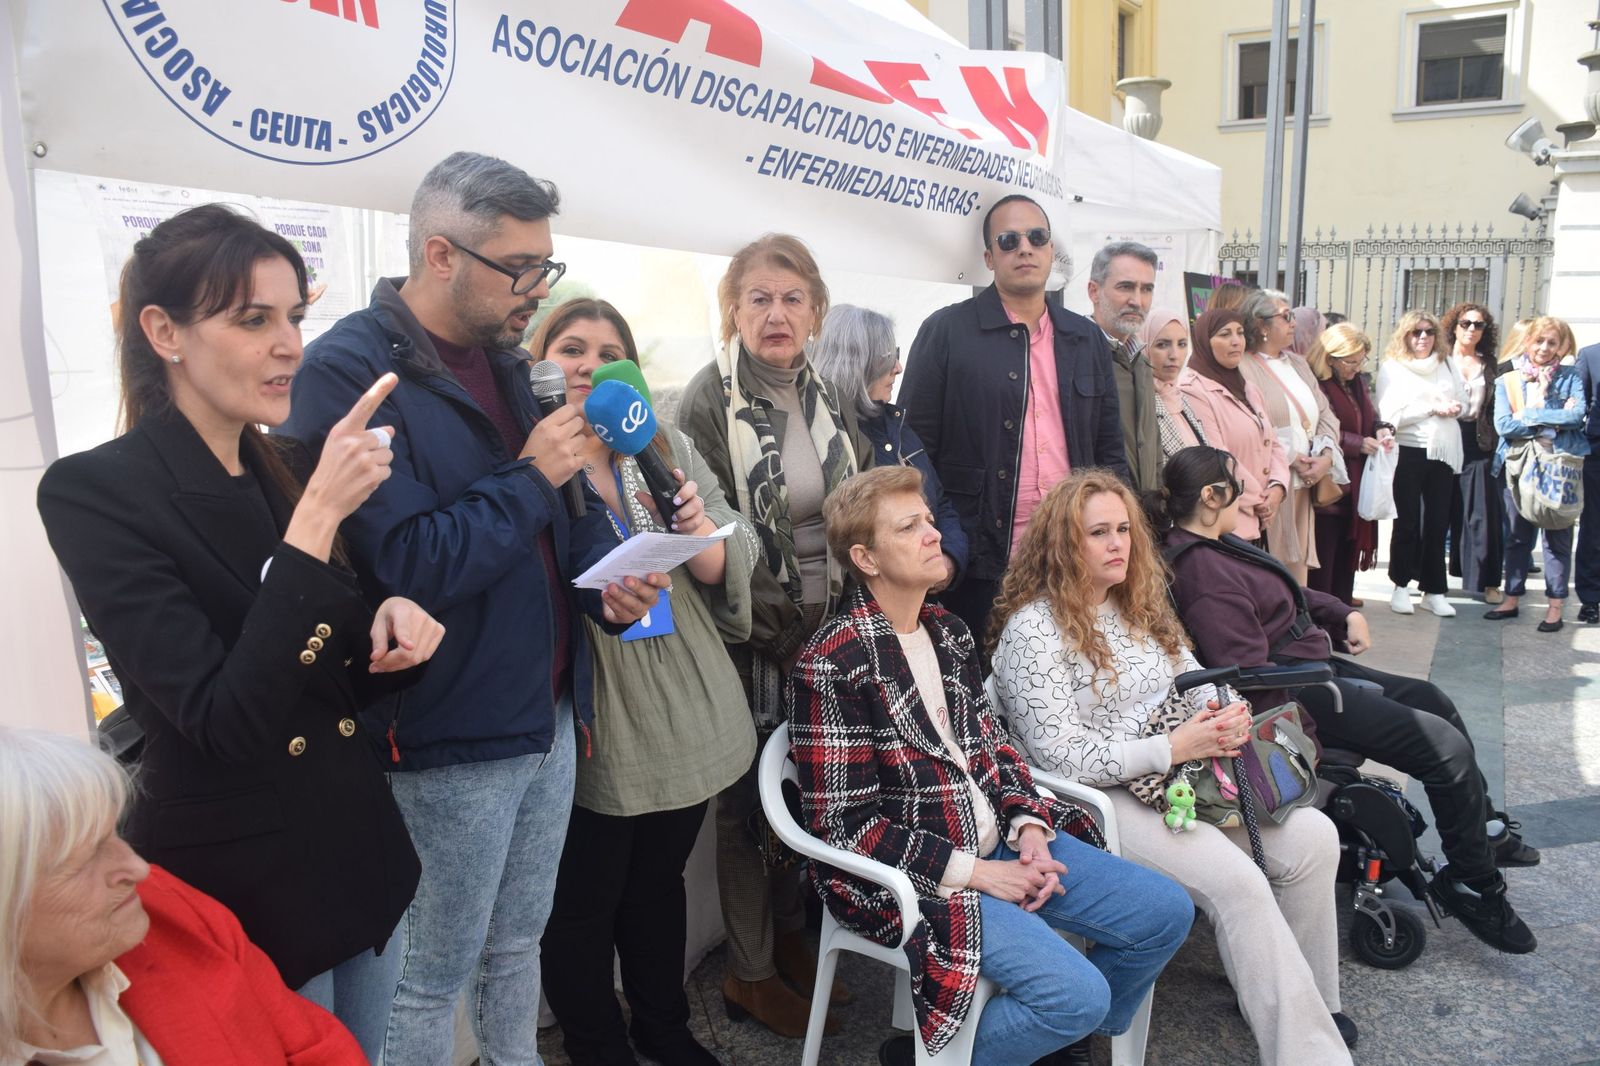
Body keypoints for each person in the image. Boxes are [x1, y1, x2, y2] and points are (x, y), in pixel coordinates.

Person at [278, 152, 664, 1066]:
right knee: (426, 974)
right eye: (521, 268)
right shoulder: (351, 373)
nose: (537, 289)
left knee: (516, 947)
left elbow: (560, 518)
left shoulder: (507, 363)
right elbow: (411, 560)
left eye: (545, 266)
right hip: (448, 731)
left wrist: (611, 582)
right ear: (443, 254)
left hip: (550, 711)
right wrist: (531, 472)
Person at [34, 204, 437, 1058]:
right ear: (163, 332)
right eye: (253, 319)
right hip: (247, 888)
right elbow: (226, 720)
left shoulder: (281, 464)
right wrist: (319, 518)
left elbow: (326, 675)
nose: (289, 343)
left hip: (357, 854)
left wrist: (388, 638)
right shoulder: (95, 491)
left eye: (294, 315)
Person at [787, 465, 1192, 1066]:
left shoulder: (946, 631)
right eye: (910, 527)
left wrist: (1029, 828)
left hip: (998, 839)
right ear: (865, 558)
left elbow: (992, 747)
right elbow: (849, 827)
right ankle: (938, 1058)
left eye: (928, 518)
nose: (933, 534)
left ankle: (1051, 1036)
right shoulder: (833, 662)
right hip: (914, 879)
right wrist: (978, 873)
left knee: (1164, 914)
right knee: (1073, 994)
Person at [990, 470, 1354, 1064]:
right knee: (1239, 883)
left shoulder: (1139, 607)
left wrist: (1225, 716)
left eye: (1124, 530)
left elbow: (1194, 682)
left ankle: (1314, 1005)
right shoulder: (1034, 629)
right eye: (1098, 532)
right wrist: (1175, 747)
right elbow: (1059, 756)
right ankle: (1309, 1053)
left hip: (1182, 784)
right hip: (1094, 804)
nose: (1118, 545)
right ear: (1062, 544)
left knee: (1315, 835)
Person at [1162, 446, 1540, 956]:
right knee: (1443, 747)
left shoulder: (1222, 544)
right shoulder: (1203, 573)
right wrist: (1311, 738)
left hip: (1318, 672)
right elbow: (1250, 676)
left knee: (1433, 699)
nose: (1251, 494)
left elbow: (1286, 593)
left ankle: (1483, 832)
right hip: (1301, 694)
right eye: (1239, 484)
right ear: (1212, 497)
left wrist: (1341, 613)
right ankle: (1474, 884)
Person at [532, 299, 760, 1066]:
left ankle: (664, 1027)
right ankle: (597, 1045)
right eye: (571, 347)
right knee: (585, 900)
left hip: (684, 693)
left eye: (607, 351)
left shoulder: (660, 442)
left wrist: (701, 533)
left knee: (658, 882)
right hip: (596, 692)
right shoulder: (525, 456)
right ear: (539, 359)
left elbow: (734, 550)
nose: (589, 364)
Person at [677, 233, 866, 1038]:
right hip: (754, 639)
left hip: (830, 634)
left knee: (805, 794)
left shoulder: (825, 393)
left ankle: (791, 937)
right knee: (748, 809)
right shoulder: (705, 401)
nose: (776, 314)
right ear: (732, 311)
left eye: (792, 299)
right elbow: (710, 531)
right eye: (759, 298)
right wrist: (786, 632)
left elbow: (849, 511)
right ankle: (750, 974)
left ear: (817, 312)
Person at [1, 726, 366, 1065]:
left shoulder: (164, 910)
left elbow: (313, 1045)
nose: (137, 869)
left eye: (115, 835)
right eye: (88, 857)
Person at [901, 194, 1127, 641]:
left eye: (1036, 237)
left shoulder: (1085, 338)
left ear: (1050, 251)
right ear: (989, 257)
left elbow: (1109, 452)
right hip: (979, 560)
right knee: (985, 688)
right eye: (1008, 240)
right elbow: (912, 448)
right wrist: (937, 544)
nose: (1024, 248)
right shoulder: (946, 331)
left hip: (1072, 554)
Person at [811, 304, 969, 587]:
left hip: (918, 601)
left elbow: (940, 503)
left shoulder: (896, 425)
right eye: (888, 358)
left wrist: (948, 558)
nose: (898, 368)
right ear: (858, 364)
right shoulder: (825, 439)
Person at [1485, 316, 1590, 633]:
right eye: (1539, 341)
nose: (1544, 348)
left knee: (1557, 536)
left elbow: (1576, 415)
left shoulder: (1571, 377)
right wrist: (1551, 420)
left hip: (1559, 465)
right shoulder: (1509, 381)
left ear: (1563, 346)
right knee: (1517, 536)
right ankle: (1512, 596)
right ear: (1527, 342)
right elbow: (1504, 425)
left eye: (1552, 342)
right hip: (1517, 466)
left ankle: (1556, 604)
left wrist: (1529, 415)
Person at [1238, 289, 1342, 585]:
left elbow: (1326, 414)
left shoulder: (1298, 363)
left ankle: (1296, 627)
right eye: (1285, 317)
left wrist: (1326, 457)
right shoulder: (1243, 367)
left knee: (1299, 571)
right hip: (1272, 482)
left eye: (1292, 315)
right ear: (1260, 325)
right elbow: (1253, 424)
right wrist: (1292, 458)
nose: (1292, 322)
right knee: (1273, 569)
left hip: (1306, 482)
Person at [1376, 310, 1466, 618]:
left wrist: (1453, 407)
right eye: (1416, 332)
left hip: (1443, 451)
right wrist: (1431, 408)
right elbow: (1390, 415)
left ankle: (1434, 590)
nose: (1423, 337)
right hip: (1409, 450)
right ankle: (1401, 585)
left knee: (1438, 523)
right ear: (1405, 336)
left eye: (1429, 332)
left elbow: (1464, 402)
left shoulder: (1447, 363)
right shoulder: (1393, 368)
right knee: (1407, 522)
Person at [1179, 309, 1289, 548]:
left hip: (1257, 521)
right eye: (1224, 334)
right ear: (1204, 342)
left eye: (1239, 332)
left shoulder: (1248, 387)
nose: (1236, 341)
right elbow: (1218, 457)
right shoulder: (1193, 390)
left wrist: (1278, 487)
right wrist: (1261, 499)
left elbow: (1273, 441)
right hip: (1227, 524)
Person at [1306, 324, 1388, 607]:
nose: (1357, 367)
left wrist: (1381, 430)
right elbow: (1317, 430)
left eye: (1361, 360)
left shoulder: (1356, 382)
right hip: (1330, 487)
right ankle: (1324, 630)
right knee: (1324, 567)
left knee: (1345, 564)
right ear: (1330, 358)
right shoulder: (1316, 383)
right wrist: (1357, 443)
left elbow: (1369, 416)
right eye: (1351, 361)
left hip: (1356, 485)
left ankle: (1341, 626)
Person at [1441, 303, 1505, 604]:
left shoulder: (1490, 363)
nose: (1470, 329)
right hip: (1443, 438)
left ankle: (1487, 581)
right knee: (1438, 509)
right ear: (1454, 327)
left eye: (1478, 325)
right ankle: (1429, 579)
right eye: (1465, 323)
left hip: (1478, 441)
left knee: (1482, 513)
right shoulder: (1439, 361)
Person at [1088, 241, 1161, 493]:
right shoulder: (1076, 356)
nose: (1137, 301)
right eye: (1126, 287)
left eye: (1147, 289)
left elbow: (1152, 445)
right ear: (1094, 291)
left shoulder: (1141, 360)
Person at [1140, 307, 1210, 458]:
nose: (1174, 355)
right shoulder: (1139, 403)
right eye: (1162, 344)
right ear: (1144, 347)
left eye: (1182, 344)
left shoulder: (1181, 397)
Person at [1576, 335, 1600, 624]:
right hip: (1597, 454)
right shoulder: (1590, 355)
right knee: (1593, 527)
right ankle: (1591, 598)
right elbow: (1578, 406)